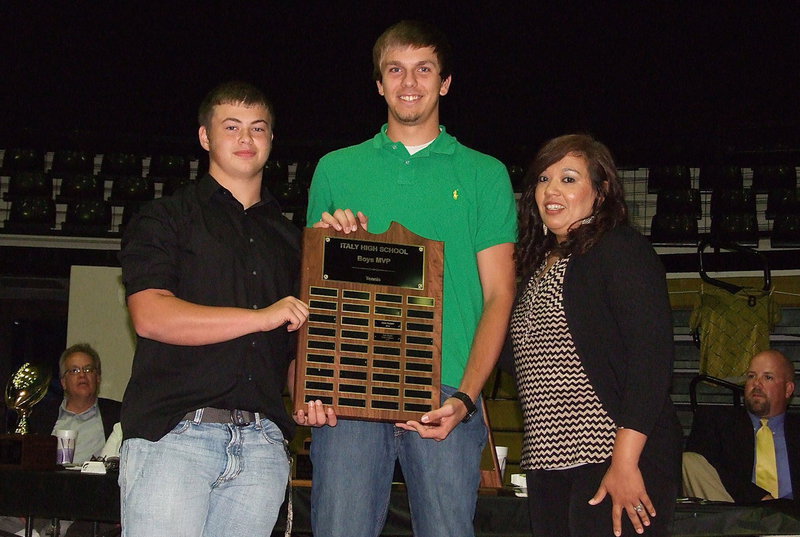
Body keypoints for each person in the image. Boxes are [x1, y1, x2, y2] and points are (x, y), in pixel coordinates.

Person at [300, 20, 517, 537]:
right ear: (379, 83)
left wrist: (466, 398)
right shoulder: (335, 169)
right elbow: (312, 291)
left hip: (445, 394)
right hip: (349, 390)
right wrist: (312, 382)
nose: (409, 82)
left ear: (445, 82)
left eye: (424, 69)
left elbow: (500, 294)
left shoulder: (485, 173)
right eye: (395, 70)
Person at [118, 81, 309, 537]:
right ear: (205, 137)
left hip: (262, 446)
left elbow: (296, 350)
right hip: (174, 438)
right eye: (232, 127)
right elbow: (151, 316)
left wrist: (314, 397)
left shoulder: (293, 240)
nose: (246, 139)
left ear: (271, 140)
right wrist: (263, 316)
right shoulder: (165, 217)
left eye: (258, 128)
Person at [510, 134, 682, 537]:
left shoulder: (618, 247)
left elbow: (651, 357)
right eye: (543, 179)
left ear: (601, 192)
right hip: (545, 463)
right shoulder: (537, 267)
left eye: (569, 179)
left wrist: (623, 462)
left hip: (610, 458)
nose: (551, 190)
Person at [683, 349, 800, 503]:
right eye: (751, 376)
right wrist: (759, 498)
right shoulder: (716, 420)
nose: (756, 383)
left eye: (768, 377)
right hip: (735, 515)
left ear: (788, 389)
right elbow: (701, 465)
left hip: (792, 520)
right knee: (690, 461)